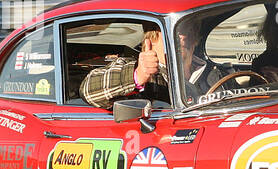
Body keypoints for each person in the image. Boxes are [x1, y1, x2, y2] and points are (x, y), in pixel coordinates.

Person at [80, 25, 221, 109]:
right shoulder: (133, 69)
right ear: (152, 38)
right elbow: (88, 90)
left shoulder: (214, 73)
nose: (183, 36)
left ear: (196, 39)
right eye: (174, 31)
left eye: (189, 29)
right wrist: (138, 75)